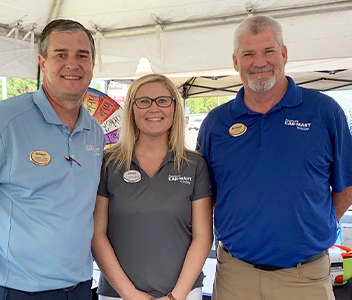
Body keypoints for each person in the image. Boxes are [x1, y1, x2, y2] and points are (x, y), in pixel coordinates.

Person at [197, 15, 352, 300]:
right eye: (248, 54)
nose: (259, 62)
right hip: (235, 276)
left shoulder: (324, 112)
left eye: (268, 51)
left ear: (284, 54)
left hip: (305, 278)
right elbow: (206, 197)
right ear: (235, 61)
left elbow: (346, 186)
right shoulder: (215, 123)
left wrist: (315, 224)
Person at [0, 19, 105, 300]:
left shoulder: (94, 132)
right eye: (61, 54)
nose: (73, 64)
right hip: (15, 292)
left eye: (82, 55)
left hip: (80, 288)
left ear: (93, 65)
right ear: (42, 62)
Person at [91, 74, 213, 300]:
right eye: (144, 101)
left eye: (163, 100)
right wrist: (131, 295)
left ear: (175, 107)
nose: (154, 108)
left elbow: (203, 236)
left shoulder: (194, 165)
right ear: (132, 109)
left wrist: (175, 297)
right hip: (118, 295)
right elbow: (97, 235)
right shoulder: (108, 163)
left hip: (183, 294)